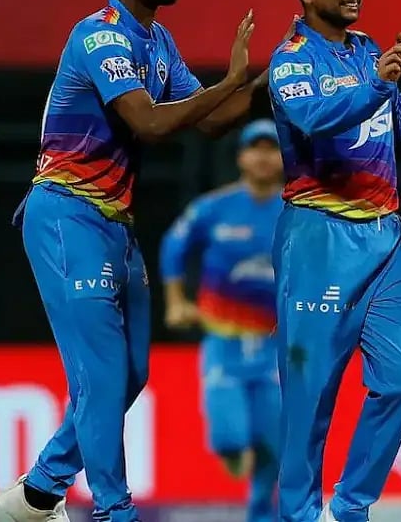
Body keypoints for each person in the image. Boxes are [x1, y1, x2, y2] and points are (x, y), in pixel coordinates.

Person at [0, 0, 266, 522]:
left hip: (115, 225)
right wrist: (232, 82)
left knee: (132, 374)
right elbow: (153, 123)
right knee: (103, 378)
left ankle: (36, 493)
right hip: (65, 217)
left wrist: (283, 72)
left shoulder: (158, 44)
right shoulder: (101, 35)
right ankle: (115, 512)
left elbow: (213, 119)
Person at [267, 0, 401, 522]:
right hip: (320, 236)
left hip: (387, 238)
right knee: (309, 401)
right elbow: (314, 119)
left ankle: (352, 507)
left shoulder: (368, 51)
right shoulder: (290, 58)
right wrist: (380, 83)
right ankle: (298, 516)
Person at [159, 119, 285, 522]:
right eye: (256, 148)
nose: (264, 156)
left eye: (272, 148)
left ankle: (260, 513)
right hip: (224, 341)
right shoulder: (214, 208)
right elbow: (173, 246)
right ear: (241, 157)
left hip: (276, 347)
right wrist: (175, 300)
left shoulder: (299, 212)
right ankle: (235, 455)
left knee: (274, 444)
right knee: (230, 438)